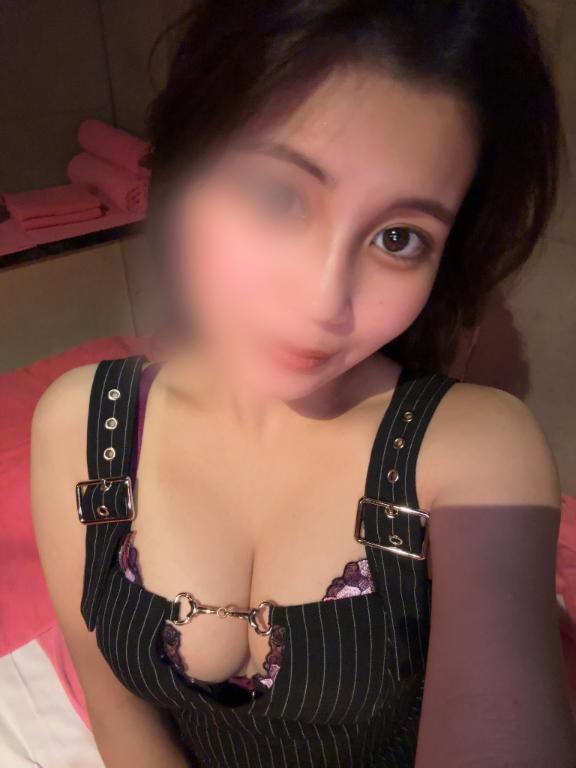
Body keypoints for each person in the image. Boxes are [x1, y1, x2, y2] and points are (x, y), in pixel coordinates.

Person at [31, 1, 576, 765]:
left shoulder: (477, 455)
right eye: (278, 196)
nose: (324, 304)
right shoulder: (82, 426)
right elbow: (121, 716)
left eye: (398, 238)